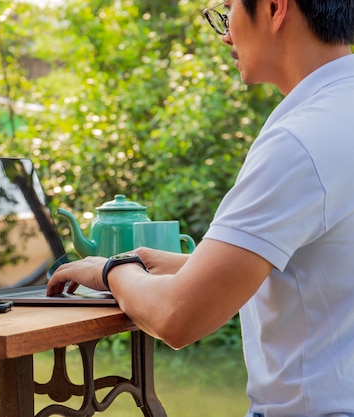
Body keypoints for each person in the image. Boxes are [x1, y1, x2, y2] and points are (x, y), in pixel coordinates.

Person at [46, 1, 354, 416]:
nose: (225, 34)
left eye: (228, 11)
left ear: (274, 8)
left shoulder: (299, 143)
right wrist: (181, 265)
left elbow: (178, 316)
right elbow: (326, 268)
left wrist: (111, 270)